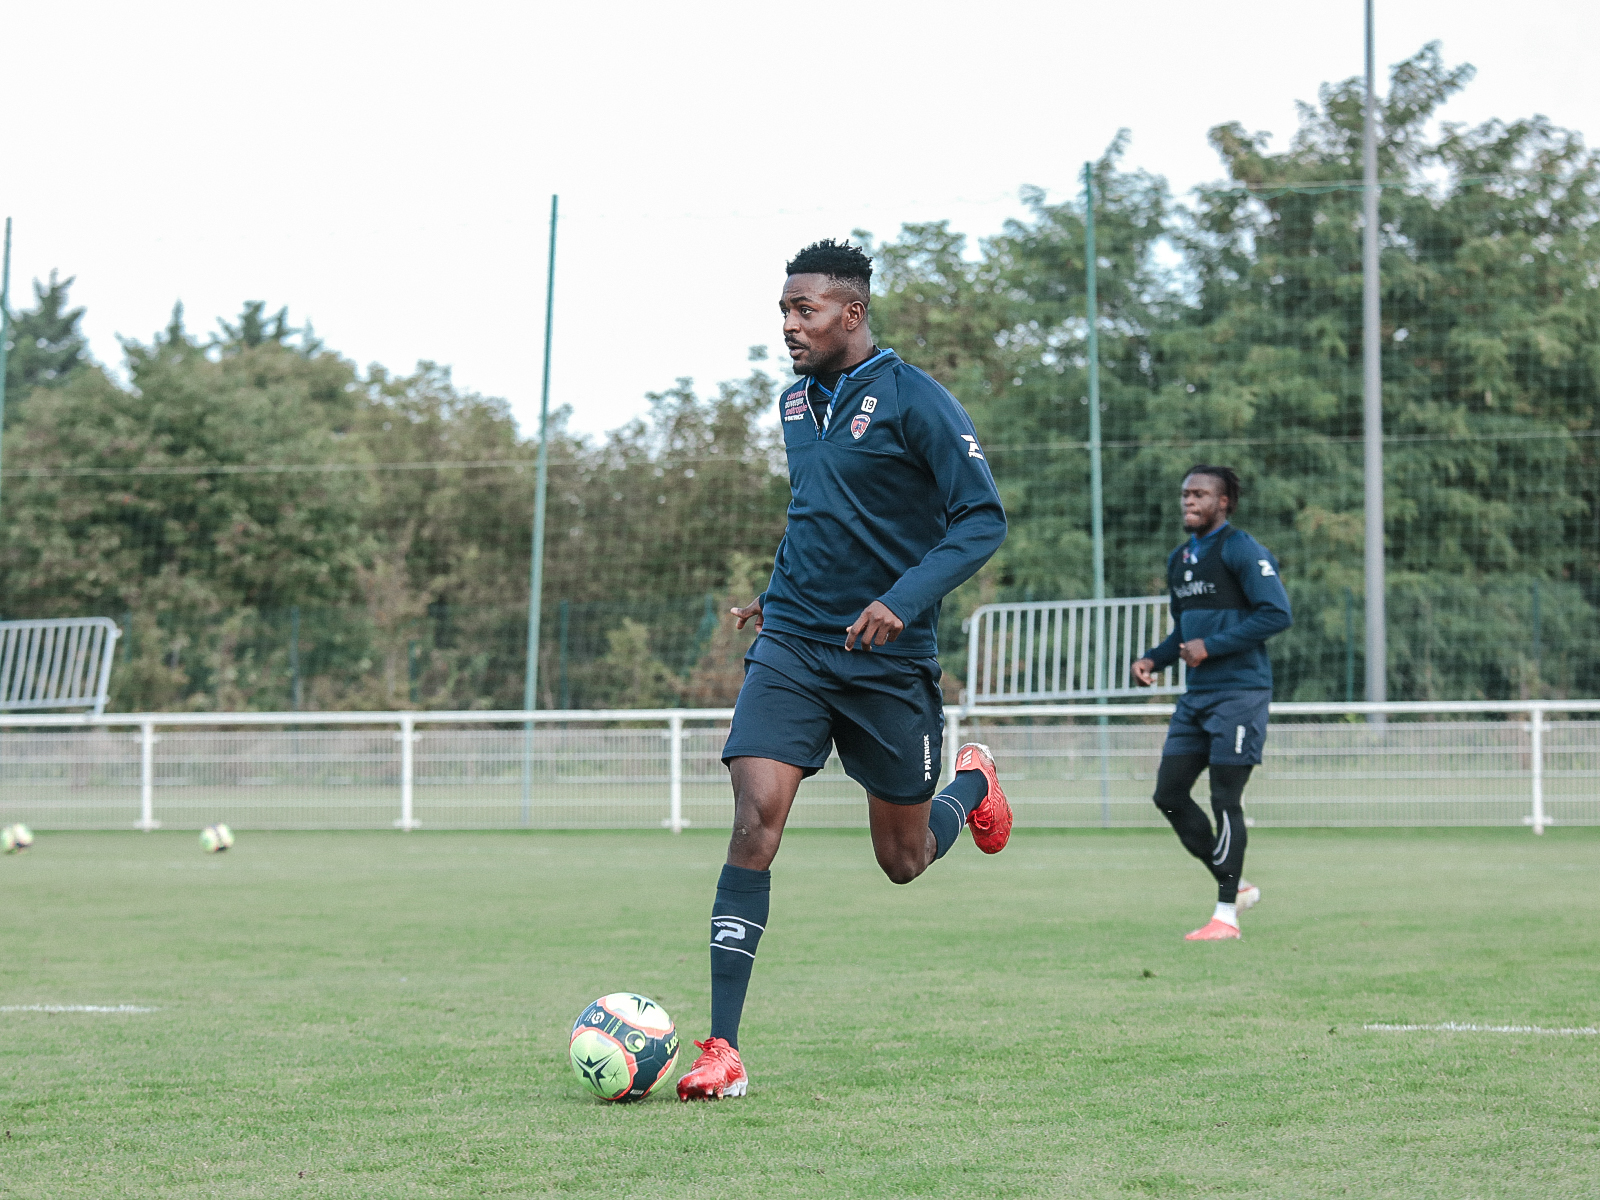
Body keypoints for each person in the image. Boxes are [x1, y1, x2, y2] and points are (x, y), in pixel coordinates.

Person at [676, 239, 1012, 1100]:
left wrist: (900, 600)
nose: (789, 326)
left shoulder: (917, 401)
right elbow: (820, 512)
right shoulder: (795, 402)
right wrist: (772, 590)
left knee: (902, 861)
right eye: (784, 311)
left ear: (851, 313)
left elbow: (981, 520)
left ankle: (970, 785)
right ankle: (724, 1048)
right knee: (757, 815)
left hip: (885, 658)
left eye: (805, 311)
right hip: (791, 643)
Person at [1131, 466, 1292, 941]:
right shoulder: (1180, 559)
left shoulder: (1241, 549)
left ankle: (1226, 915)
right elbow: (1185, 632)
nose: (1189, 501)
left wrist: (1212, 648)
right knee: (1169, 795)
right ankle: (1235, 884)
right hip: (1196, 698)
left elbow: (1276, 613)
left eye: (1199, 494)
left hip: (1240, 694)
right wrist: (1154, 660)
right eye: (1185, 494)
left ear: (1224, 502)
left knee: (1225, 800)